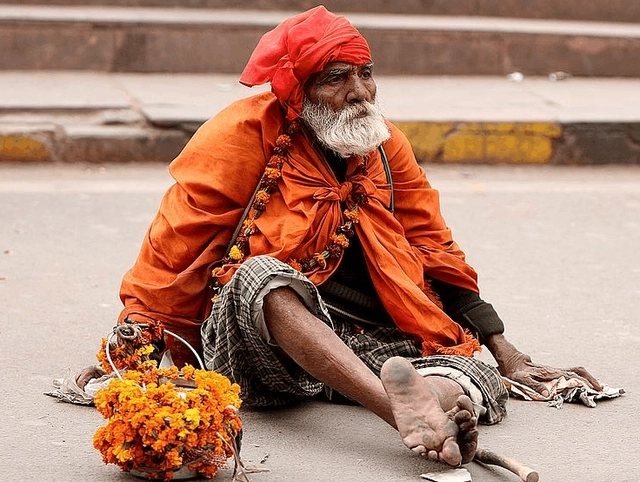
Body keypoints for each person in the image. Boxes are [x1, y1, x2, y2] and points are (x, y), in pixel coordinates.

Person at [117, 6, 602, 467]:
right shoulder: (242, 134)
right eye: (336, 78)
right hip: (265, 343)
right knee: (259, 274)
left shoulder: (386, 144)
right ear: (297, 90)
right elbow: (177, 248)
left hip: (375, 340)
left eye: (365, 73)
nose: (360, 92)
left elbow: (435, 246)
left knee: (467, 366)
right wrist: (137, 347)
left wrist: (504, 350)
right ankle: (398, 411)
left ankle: (431, 405)